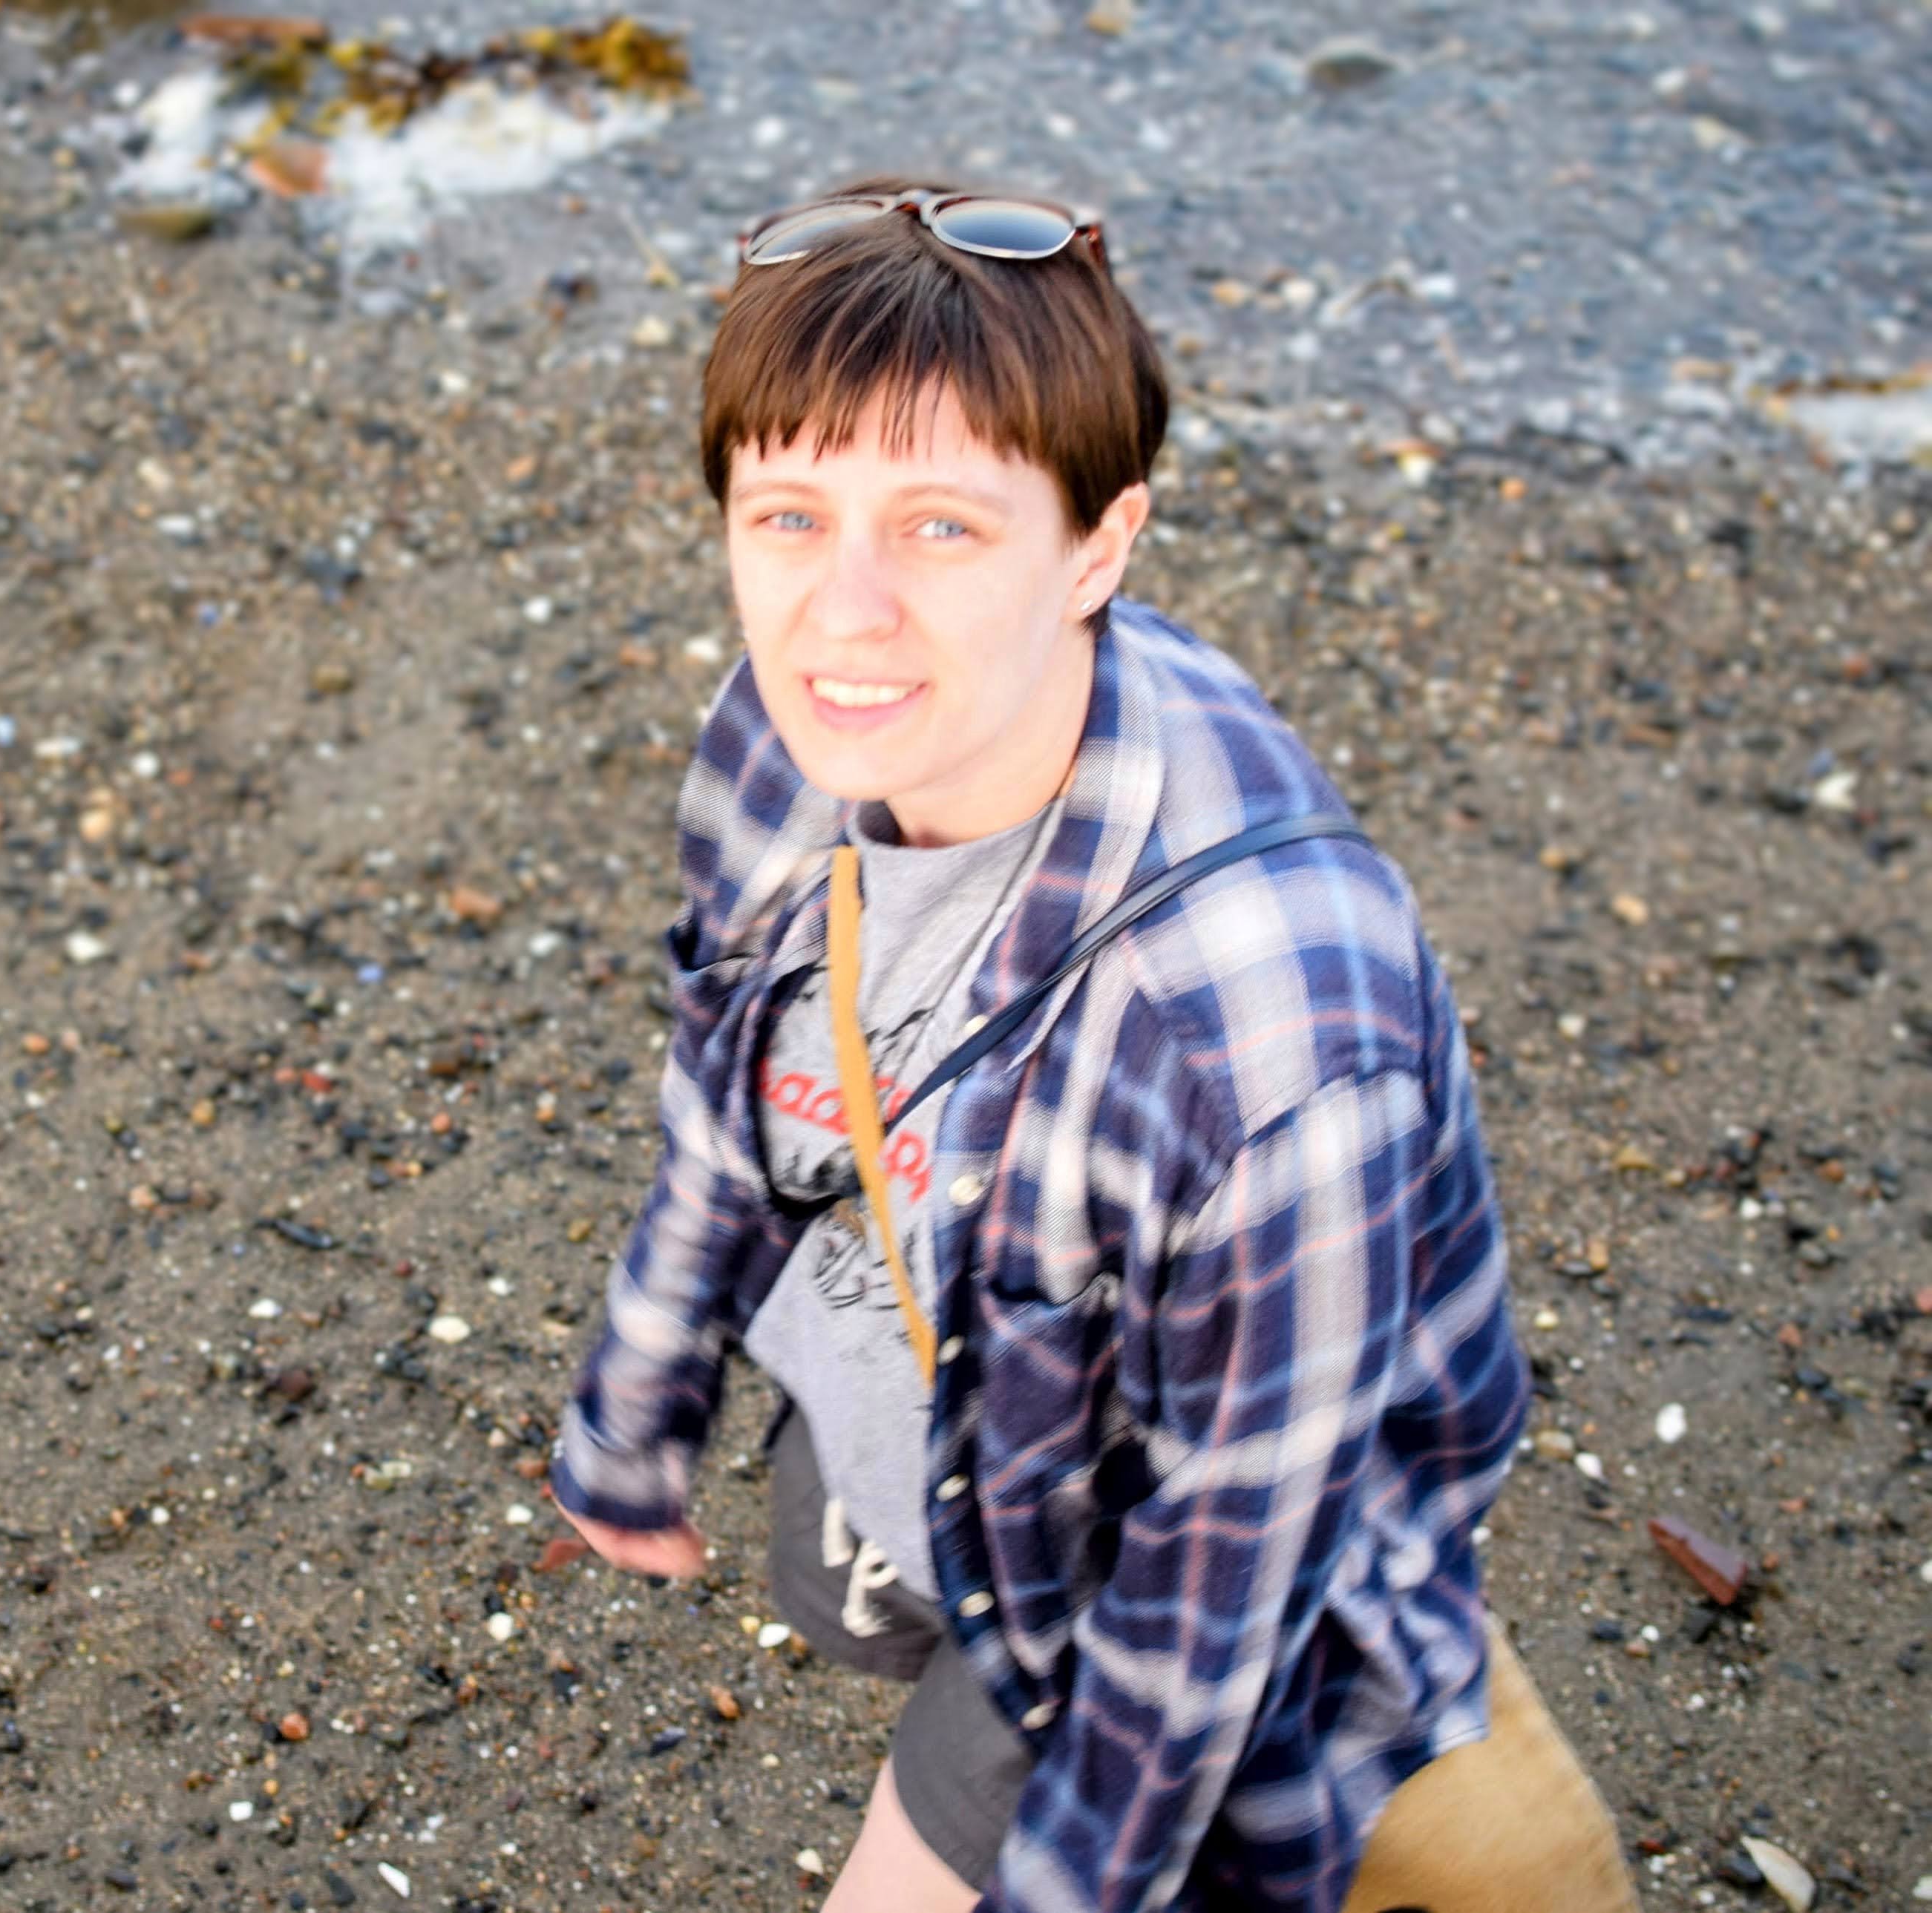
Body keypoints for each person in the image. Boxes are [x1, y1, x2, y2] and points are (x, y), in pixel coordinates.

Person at [548, 178, 1545, 1912]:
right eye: (788, 515)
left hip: (1141, 1579)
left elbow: (1213, 1591)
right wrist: (641, 1392)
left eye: (939, 526)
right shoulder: (788, 737)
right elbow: (732, 1077)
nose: (839, 614)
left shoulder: (1265, 1038)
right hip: (960, 1442)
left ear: (1101, 542)